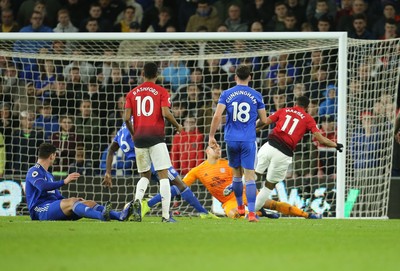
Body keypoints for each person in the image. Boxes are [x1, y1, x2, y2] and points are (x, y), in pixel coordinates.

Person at [102, 119, 218, 220]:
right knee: (180, 185)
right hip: (153, 159)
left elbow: (111, 150)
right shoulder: (138, 124)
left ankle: (141, 206)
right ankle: (201, 212)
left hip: (141, 162)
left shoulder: (122, 130)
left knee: (169, 187)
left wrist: (108, 172)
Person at [254, 96, 343, 212]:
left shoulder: (284, 110)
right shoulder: (308, 118)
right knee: (269, 185)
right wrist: (336, 145)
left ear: (296, 103)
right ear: (306, 107)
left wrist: (250, 129)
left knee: (254, 175)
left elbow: (264, 121)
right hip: (283, 153)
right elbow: (321, 139)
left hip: (269, 146)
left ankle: (234, 188)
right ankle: (251, 212)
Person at [124, 62, 183, 222]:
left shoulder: (132, 93)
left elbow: (126, 118)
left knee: (144, 176)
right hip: (156, 137)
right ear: (157, 75)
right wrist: (177, 125)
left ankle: (136, 206)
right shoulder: (161, 91)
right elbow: (165, 112)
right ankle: (165, 216)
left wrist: (133, 133)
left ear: (142, 74)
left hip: (139, 137)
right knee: (164, 176)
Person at [209, 64, 268, 222]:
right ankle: (252, 214)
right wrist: (253, 127)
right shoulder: (256, 95)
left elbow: (217, 116)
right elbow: (264, 120)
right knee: (249, 177)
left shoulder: (226, 94)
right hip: (248, 139)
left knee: (236, 175)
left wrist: (211, 136)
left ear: (235, 77)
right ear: (250, 77)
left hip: (231, 139)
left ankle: (240, 207)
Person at [25, 142, 132, 221]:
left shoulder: (49, 175)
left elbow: (57, 197)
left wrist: (74, 200)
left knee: (89, 203)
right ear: (52, 155)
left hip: (52, 207)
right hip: (40, 210)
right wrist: (64, 181)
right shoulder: (34, 171)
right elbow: (42, 186)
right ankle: (102, 216)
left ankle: (120, 216)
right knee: (71, 202)